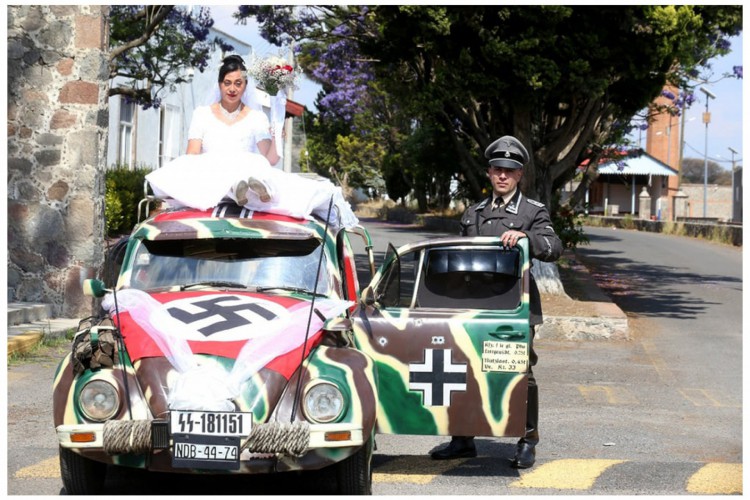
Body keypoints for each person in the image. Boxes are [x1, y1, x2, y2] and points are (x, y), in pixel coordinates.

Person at [429, 135, 563, 469]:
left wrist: (527, 238)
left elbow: (554, 246)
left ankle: (527, 440)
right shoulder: (473, 213)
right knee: (464, 369)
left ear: (520, 176)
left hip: (513, 311)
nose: (503, 176)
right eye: (497, 170)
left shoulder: (533, 212)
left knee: (521, 373)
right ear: (489, 173)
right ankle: (462, 439)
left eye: (510, 170)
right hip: (473, 307)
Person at [145, 55, 358, 229]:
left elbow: (271, 158)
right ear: (219, 84)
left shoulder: (256, 117)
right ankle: (237, 186)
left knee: (256, 166)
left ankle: (251, 187)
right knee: (201, 167)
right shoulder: (202, 114)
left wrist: (277, 134)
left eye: (238, 83)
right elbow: (192, 154)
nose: (232, 88)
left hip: (248, 168)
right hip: (211, 170)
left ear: (245, 86)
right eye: (227, 83)